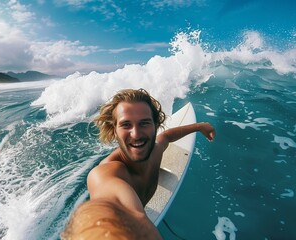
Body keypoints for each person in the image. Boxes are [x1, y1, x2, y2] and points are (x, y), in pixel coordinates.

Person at [61, 89, 215, 239]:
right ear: (114, 130)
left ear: (156, 125)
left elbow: (167, 136)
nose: (136, 134)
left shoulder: (155, 150)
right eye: (126, 124)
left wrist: (200, 126)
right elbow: (123, 213)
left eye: (144, 123)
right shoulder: (105, 174)